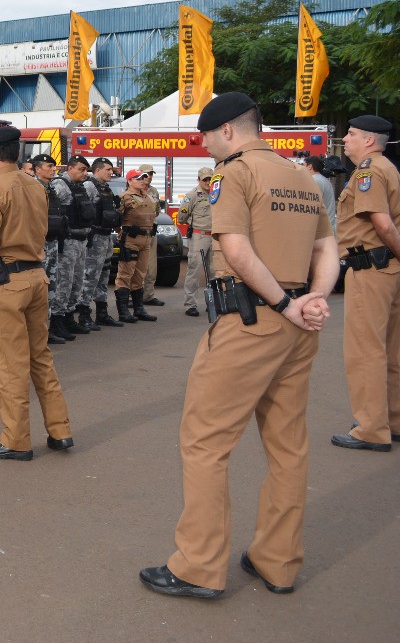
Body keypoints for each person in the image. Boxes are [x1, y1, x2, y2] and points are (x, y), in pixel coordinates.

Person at [140, 92, 336, 599]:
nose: (203, 147)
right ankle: (278, 562)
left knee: (205, 441)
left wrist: (284, 303)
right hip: (297, 328)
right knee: (288, 445)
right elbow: (326, 247)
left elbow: (235, 247)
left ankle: (198, 567)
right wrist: (311, 299)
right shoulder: (301, 176)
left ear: (226, 130)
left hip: (252, 319)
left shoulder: (234, 172)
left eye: (204, 137)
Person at [0, 126, 73, 461]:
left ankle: (16, 441)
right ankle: (60, 431)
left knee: (11, 367)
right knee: (41, 359)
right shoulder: (35, 184)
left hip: (6, 284)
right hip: (35, 277)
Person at [331, 115, 400, 452]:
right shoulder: (387, 166)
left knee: (365, 350)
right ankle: (392, 420)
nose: (345, 139)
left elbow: (383, 224)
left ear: (370, 140)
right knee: (390, 348)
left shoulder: (369, 171)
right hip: (388, 268)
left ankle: (371, 429)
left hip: (370, 269)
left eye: (352, 133)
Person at [49, 156, 97, 337]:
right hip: (67, 242)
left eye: (86, 170)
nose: (85, 173)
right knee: (64, 282)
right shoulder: (59, 186)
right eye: (82, 169)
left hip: (81, 241)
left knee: (76, 282)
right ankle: (57, 321)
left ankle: (69, 317)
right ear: (70, 168)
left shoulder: (80, 186)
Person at [81, 158, 124, 328]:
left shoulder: (105, 188)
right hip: (95, 237)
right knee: (91, 276)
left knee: (104, 275)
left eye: (111, 169)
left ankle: (102, 312)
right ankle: (84, 315)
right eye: (107, 169)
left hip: (106, 237)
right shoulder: (89, 186)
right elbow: (85, 213)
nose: (111, 172)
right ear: (97, 170)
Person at [32, 154, 68, 344]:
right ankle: (37, 333)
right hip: (39, 244)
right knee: (39, 289)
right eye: (49, 166)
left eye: (53, 166)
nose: (53, 169)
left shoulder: (52, 188)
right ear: (38, 169)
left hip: (53, 242)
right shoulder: (33, 188)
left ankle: (46, 329)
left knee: (51, 288)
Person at [115, 168, 159, 324]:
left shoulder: (149, 197)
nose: (142, 180)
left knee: (140, 274)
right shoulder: (124, 197)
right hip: (131, 240)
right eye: (138, 177)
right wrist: (121, 232)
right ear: (129, 180)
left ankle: (139, 309)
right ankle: (123, 311)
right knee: (125, 274)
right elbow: (115, 218)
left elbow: (155, 214)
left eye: (143, 177)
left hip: (146, 240)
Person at [178, 165, 215, 318]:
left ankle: (213, 303)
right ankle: (191, 304)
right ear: (198, 180)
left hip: (215, 237)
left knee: (214, 272)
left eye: (210, 179)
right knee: (194, 270)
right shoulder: (192, 195)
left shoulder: (217, 193)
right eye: (204, 179)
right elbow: (182, 217)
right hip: (199, 237)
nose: (207, 182)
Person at [137, 164, 166, 306]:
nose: (149, 177)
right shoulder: (133, 190)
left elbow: (157, 211)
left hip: (151, 231)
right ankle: (134, 297)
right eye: (146, 174)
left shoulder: (154, 191)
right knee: (135, 267)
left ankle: (148, 296)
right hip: (137, 233)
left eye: (151, 174)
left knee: (151, 267)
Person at [306, 157, 338, 233]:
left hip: (322, 230)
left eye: (304, 165)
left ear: (310, 166)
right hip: (328, 227)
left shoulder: (314, 180)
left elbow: (312, 205)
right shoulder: (324, 180)